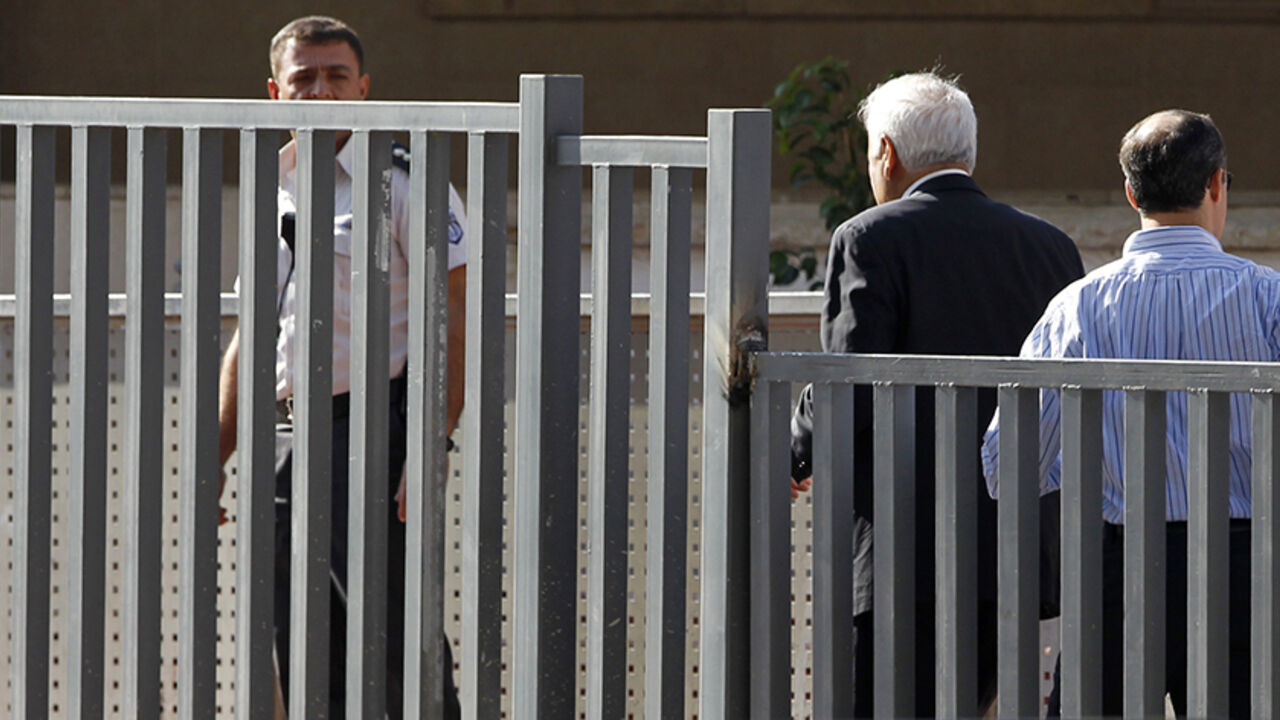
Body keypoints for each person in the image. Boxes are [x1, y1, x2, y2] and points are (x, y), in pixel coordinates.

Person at [789, 71, 1084, 717]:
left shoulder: (868, 237)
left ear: (887, 153)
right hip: (1010, 555)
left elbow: (852, 384)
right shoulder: (1049, 247)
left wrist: (795, 449)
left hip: (903, 555)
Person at [983, 109, 1274, 719]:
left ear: (1130, 192)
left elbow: (1007, 464)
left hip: (1117, 571)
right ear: (1217, 184)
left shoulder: (1079, 308)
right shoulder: (1267, 298)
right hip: (1246, 570)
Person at [214, 16, 465, 720]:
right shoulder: (276, 185)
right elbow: (255, 332)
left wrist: (427, 443)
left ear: (364, 86)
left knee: (394, 645)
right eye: (304, 79)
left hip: (371, 436)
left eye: (335, 76)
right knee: (303, 649)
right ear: (274, 93)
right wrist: (216, 458)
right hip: (286, 441)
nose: (321, 92)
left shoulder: (404, 181)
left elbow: (451, 315)